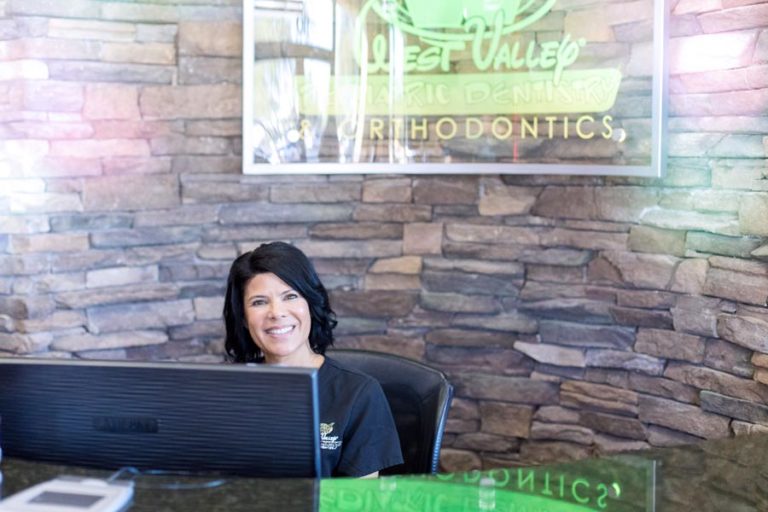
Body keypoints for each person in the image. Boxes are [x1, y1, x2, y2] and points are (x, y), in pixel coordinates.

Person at [223, 241, 403, 478]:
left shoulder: (358, 393)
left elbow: (360, 502)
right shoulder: (225, 391)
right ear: (244, 318)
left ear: (310, 304)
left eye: (290, 296)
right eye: (259, 302)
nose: (276, 312)